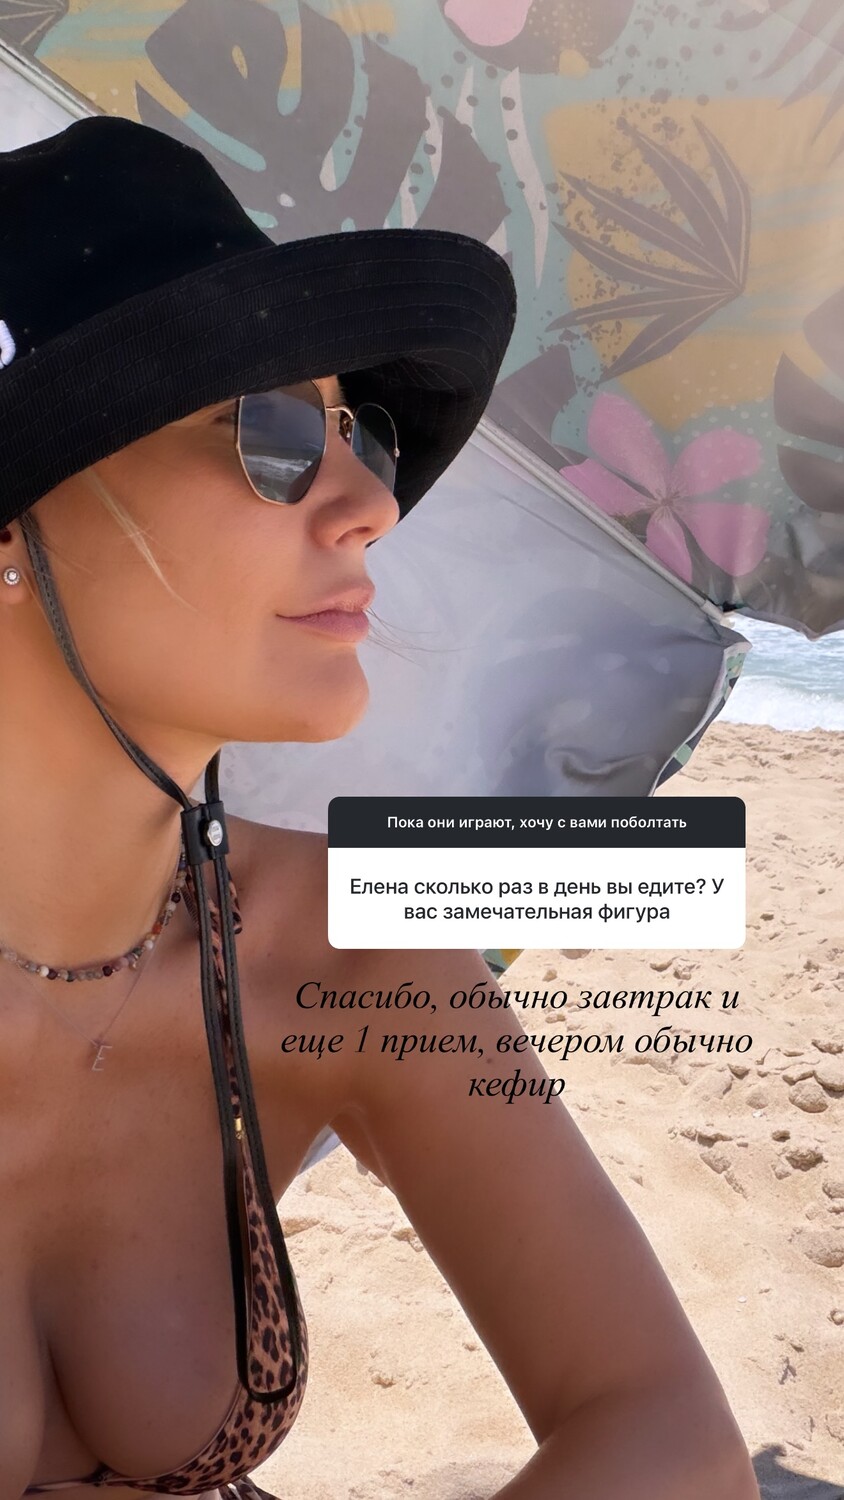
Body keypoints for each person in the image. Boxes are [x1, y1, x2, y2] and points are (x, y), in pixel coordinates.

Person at [0, 115, 760, 1500]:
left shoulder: (363, 940)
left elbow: (671, 1434)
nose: (371, 502)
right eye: (275, 433)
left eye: (369, 433)